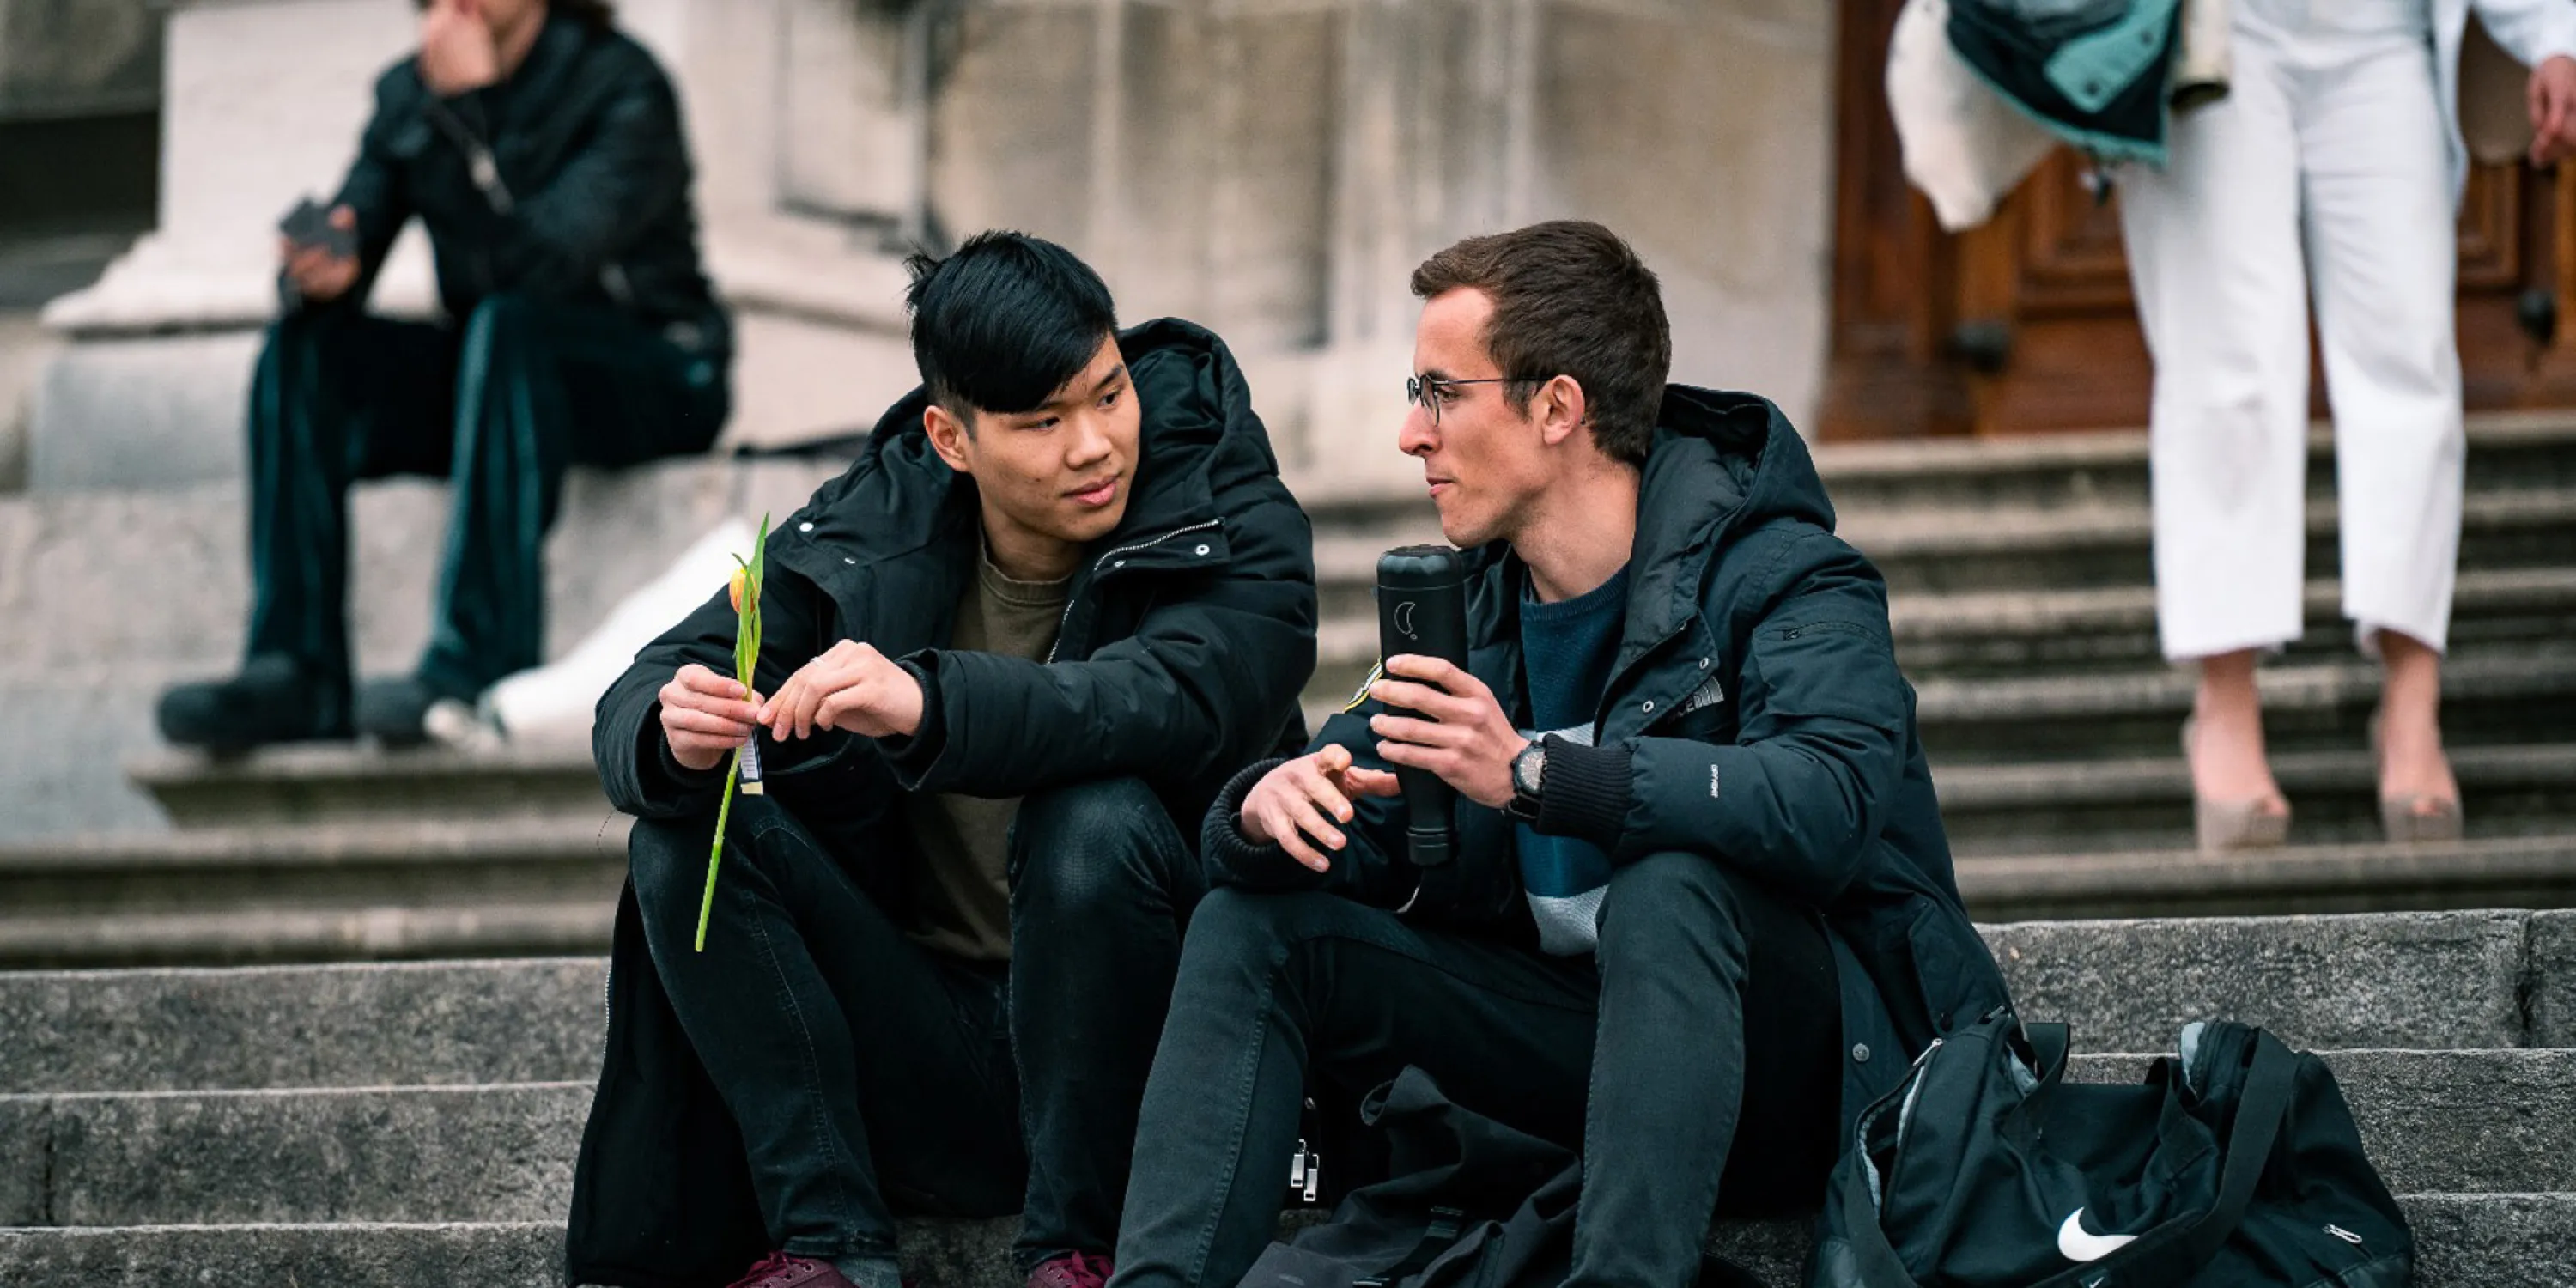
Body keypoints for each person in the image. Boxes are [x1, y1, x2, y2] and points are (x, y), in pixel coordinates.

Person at [1105, 221, 2008, 1288]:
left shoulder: (1786, 578)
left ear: (1556, 407)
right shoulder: (1470, 609)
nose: (1409, 433)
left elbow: (1829, 801)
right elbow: (1359, 800)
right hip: (1582, 1063)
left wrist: (1537, 775)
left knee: (1670, 886)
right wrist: (1267, 807)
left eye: (1440, 393)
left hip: (1812, 1077)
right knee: (1254, 920)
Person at [564, 232, 1319, 1288]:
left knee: (1091, 815)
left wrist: (929, 702)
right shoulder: (874, 523)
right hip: (934, 1055)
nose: (1094, 444)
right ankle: (828, 1249)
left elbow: (1175, 698)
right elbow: (644, 685)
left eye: (1107, 394)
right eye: (1042, 423)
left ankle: (1079, 1248)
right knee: (685, 832)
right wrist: (667, 723)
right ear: (952, 439)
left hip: (1157, 1059)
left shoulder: (1221, 502)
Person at [155, 0, 732, 750]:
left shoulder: (620, 83)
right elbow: (357, 220)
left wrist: (469, 113)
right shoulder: (411, 91)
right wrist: (323, 269)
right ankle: (295, 669)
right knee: (305, 350)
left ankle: (477, 660)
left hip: (655, 372)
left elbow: (541, 269)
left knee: (510, 325)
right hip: (500, 375)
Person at [2118, 0, 2576, 849]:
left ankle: (2412, 705)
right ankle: (2225, 701)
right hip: (2216, 27)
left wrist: (2555, 34)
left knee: (2410, 356)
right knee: (2227, 361)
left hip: (2385, 31)